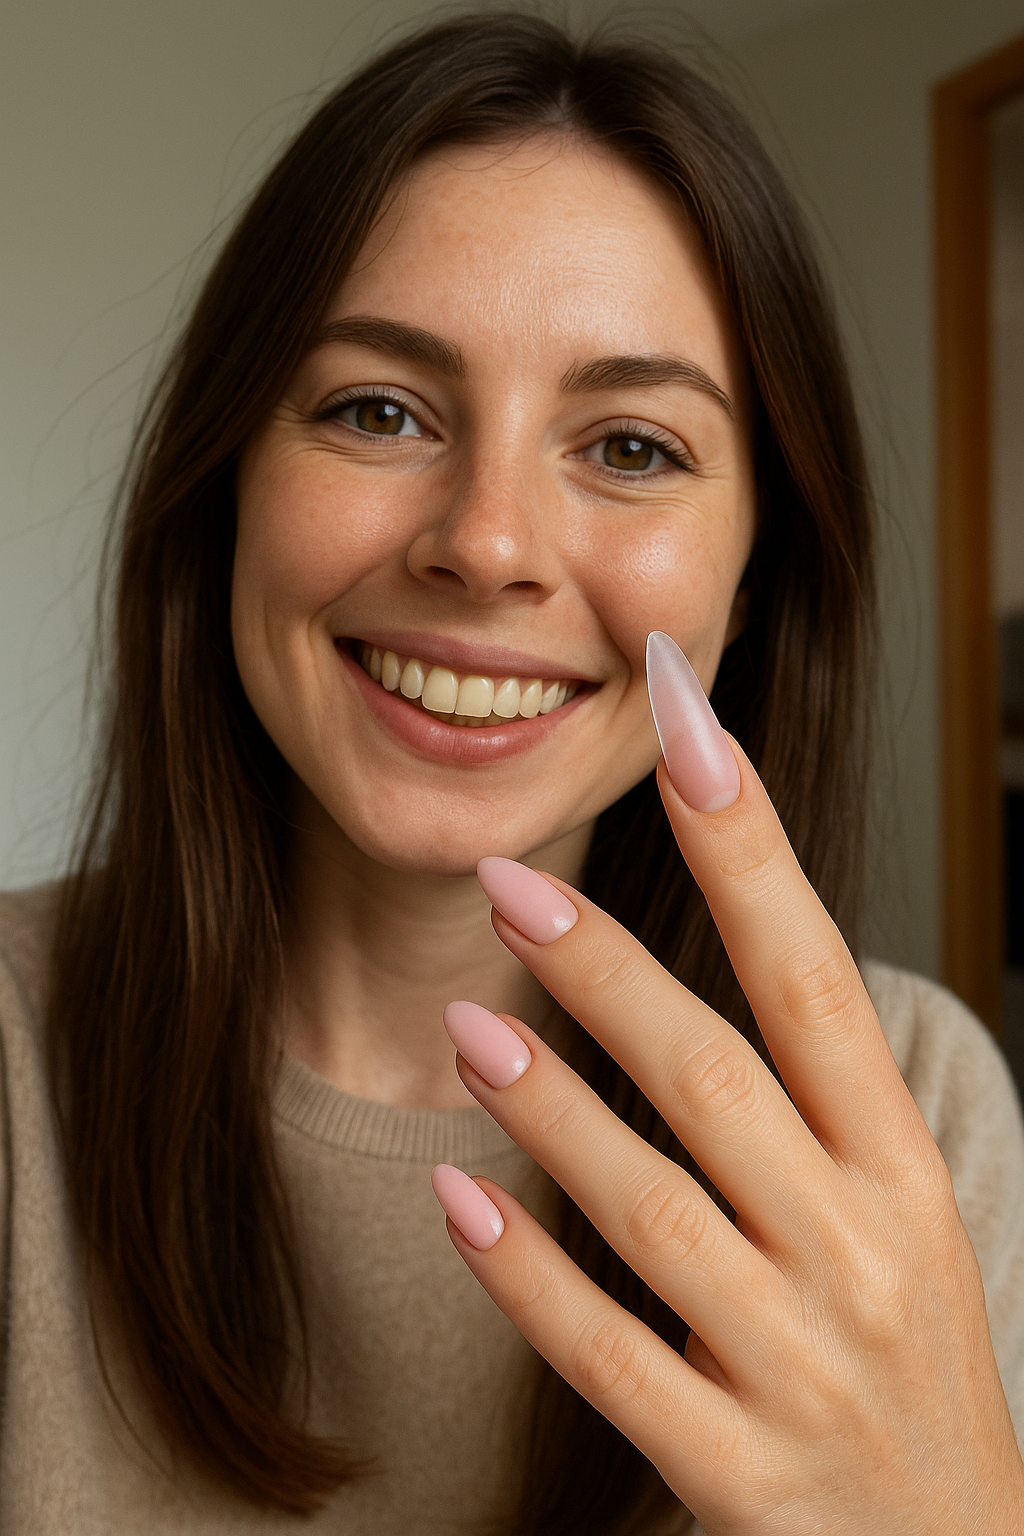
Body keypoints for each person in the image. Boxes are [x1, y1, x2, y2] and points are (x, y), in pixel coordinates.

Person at [1, 12, 1022, 1534]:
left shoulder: (917, 1111)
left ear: (757, 581)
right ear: (223, 490)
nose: (484, 543)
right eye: (376, 410)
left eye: (629, 448)